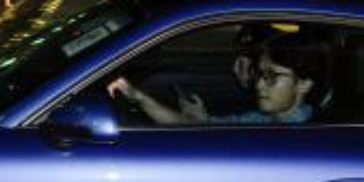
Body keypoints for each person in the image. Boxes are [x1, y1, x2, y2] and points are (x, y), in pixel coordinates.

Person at [108, 32, 325, 126]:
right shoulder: (262, 120)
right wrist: (140, 98)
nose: (259, 84)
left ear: (304, 84)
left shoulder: (304, 136)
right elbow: (198, 129)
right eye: (259, 74)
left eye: (272, 76)